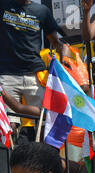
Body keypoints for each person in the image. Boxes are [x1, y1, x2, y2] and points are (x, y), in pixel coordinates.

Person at [0, 0, 69, 138]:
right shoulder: (2, 5)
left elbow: (56, 43)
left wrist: (65, 58)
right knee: (8, 127)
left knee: (45, 122)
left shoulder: (42, 11)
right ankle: (11, 159)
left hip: (35, 74)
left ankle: (43, 158)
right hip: (6, 74)